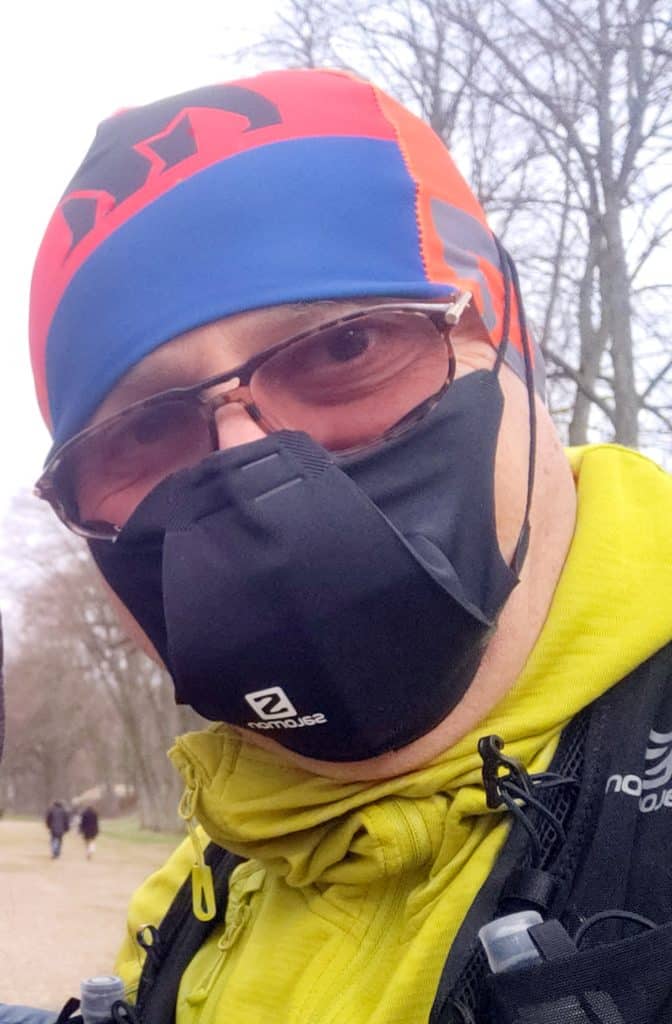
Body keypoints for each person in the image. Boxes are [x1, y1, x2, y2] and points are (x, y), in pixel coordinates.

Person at [27, 69, 672, 1023]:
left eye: (345, 349)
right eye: (144, 430)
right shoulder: (208, 873)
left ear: (502, 338)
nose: (248, 466)